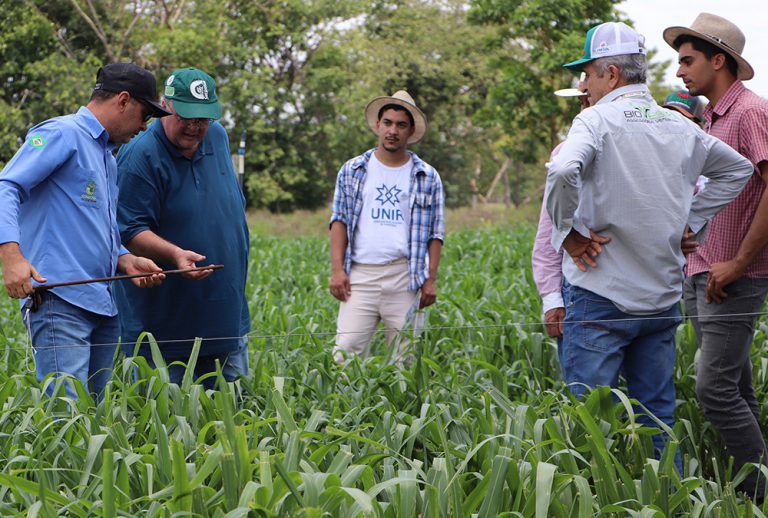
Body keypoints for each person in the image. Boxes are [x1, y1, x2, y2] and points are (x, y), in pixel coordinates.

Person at [547, 21, 753, 469]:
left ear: (611, 75)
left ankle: (595, 497)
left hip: (600, 295)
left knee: (590, 425)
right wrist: (692, 220)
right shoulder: (676, 124)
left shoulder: (594, 120)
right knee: (658, 419)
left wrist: (569, 235)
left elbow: (562, 171)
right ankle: (668, 496)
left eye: (588, 74)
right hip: (660, 300)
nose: (584, 85)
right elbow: (738, 170)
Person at [0, 63, 169, 399]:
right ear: (123, 100)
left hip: (102, 303)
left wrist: (126, 260)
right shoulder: (62, 133)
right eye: (144, 114)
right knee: (68, 413)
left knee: (96, 416)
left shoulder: (108, 158)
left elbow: (94, 226)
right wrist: (11, 256)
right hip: (60, 300)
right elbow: (7, 186)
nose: (144, 126)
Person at [664, 12, 768, 497]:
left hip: (734, 274)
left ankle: (761, 491)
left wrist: (739, 262)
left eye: (688, 61)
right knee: (736, 386)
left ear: (719, 60)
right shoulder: (710, 118)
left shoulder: (750, 112)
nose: (680, 71)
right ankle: (752, 490)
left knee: (714, 389)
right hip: (705, 268)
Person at [113, 68, 251, 388]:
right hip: (164, 330)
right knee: (168, 415)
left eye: (203, 119)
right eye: (186, 117)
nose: (194, 127)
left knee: (236, 413)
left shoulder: (217, 136)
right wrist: (175, 253)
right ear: (165, 106)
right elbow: (128, 230)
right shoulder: (140, 154)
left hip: (225, 315)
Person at [329, 90, 444, 364]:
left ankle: (401, 395)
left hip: (405, 276)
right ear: (378, 125)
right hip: (360, 275)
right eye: (388, 123)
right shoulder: (353, 170)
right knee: (345, 353)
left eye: (401, 125)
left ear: (411, 131)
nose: (393, 131)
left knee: (405, 358)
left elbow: (435, 233)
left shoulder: (427, 175)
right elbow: (339, 220)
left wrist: (430, 279)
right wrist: (337, 271)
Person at [533, 75, 589, 340]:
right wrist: (552, 298)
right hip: (581, 288)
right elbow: (549, 228)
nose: (584, 108)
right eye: (581, 102)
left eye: (589, 100)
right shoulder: (564, 153)